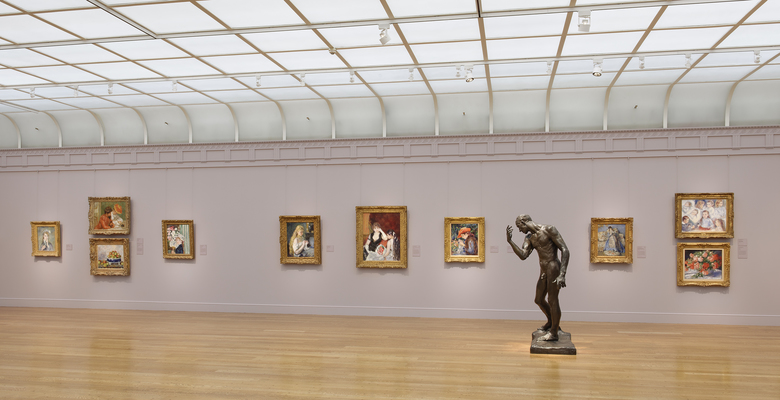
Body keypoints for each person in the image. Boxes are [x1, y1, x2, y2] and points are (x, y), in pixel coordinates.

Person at [506, 214, 570, 342]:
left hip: (553, 267)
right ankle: (551, 323)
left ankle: (554, 332)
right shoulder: (529, 237)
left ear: (524, 222)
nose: (519, 230)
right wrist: (510, 241)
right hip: (544, 270)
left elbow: (564, 249)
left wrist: (562, 273)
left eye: (519, 226)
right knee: (539, 299)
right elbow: (523, 255)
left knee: (552, 300)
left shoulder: (549, 229)